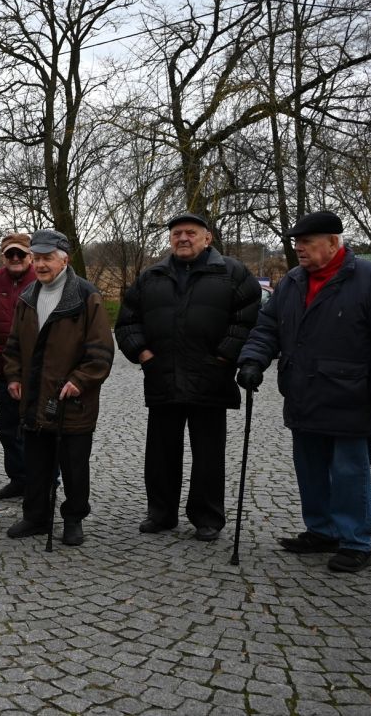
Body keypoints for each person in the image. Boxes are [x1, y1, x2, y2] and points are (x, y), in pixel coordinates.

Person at [238, 211, 371, 573]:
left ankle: (355, 542)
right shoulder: (292, 282)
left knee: (350, 472)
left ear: (334, 242)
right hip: (303, 392)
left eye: (307, 242)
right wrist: (253, 360)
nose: (299, 248)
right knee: (311, 468)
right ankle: (321, 530)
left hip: (352, 395)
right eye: (296, 243)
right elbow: (267, 326)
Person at [115, 213, 261, 542]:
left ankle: (207, 517)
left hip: (211, 377)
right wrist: (143, 353)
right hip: (162, 377)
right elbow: (126, 322)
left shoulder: (232, 273)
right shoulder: (152, 276)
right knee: (161, 454)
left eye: (190, 233)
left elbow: (249, 316)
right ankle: (161, 513)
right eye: (176, 233)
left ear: (207, 238)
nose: (183, 238)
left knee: (209, 455)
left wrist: (224, 355)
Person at [2, 229, 114, 546]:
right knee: (36, 464)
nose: (40, 264)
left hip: (72, 403)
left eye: (47, 258)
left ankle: (74, 517)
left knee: (74, 467)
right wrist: (13, 377)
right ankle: (36, 516)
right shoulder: (27, 298)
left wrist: (79, 381)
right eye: (36, 258)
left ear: (63, 259)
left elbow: (101, 351)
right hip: (35, 400)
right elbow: (12, 348)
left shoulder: (85, 296)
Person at [0, 233, 37, 500]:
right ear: (3, 255)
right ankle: (18, 479)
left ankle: (44, 482)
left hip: (38, 372)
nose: (15, 258)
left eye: (21, 254)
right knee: (8, 431)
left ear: (30, 255)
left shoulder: (43, 279)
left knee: (39, 430)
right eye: (10, 254)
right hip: (2, 370)